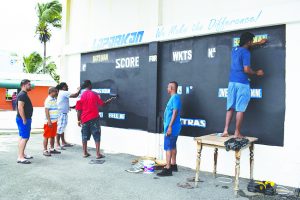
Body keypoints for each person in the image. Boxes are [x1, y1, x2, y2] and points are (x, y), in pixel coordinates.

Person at [222, 32, 266, 138]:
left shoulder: (234, 50)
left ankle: (225, 131)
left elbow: (246, 46)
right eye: (251, 41)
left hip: (232, 82)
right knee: (240, 109)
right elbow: (246, 69)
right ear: (248, 42)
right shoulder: (246, 52)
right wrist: (256, 73)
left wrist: (258, 43)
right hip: (242, 83)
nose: (252, 43)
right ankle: (237, 133)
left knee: (230, 107)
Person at [75, 80, 114, 158]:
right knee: (96, 135)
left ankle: (85, 153)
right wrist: (109, 101)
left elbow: (78, 110)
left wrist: (78, 120)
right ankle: (98, 154)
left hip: (84, 119)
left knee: (84, 136)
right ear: (89, 85)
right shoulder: (94, 94)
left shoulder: (81, 95)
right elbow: (102, 104)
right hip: (94, 118)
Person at [157, 81, 181, 177]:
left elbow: (175, 112)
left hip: (172, 127)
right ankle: (173, 165)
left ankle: (168, 168)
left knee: (168, 147)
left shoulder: (175, 97)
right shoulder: (174, 98)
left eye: (168, 87)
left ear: (172, 88)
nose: (167, 89)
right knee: (173, 146)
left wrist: (170, 126)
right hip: (173, 127)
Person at [56, 82, 80, 150]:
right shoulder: (63, 92)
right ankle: (57, 144)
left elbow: (63, 103)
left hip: (63, 113)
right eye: (67, 86)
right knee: (60, 128)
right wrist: (79, 89)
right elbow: (75, 95)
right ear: (63, 87)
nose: (68, 87)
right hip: (62, 113)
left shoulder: (61, 93)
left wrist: (71, 107)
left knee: (62, 128)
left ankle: (63, 142)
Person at [16, 79, 33, 164]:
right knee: (25, 137)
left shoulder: (23, 94)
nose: (30, 86)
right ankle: (20, 157)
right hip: (24, 119)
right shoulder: (22, 95)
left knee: (22, 137)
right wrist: (24, 119)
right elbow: (20, 107)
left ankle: (22, 154)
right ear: (24, 85)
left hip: (23, 119)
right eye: (29, 84)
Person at [43, 87, 61, 156]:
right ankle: (45, 150)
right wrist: (49, 121)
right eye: (56, 92)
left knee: (53, 135)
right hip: (49, 122)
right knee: (46, 136)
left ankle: (52, 149)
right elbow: (46, 111)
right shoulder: (48, 100)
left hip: (54, 121)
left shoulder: (54, 99)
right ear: (52, 92)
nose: (57, 93)